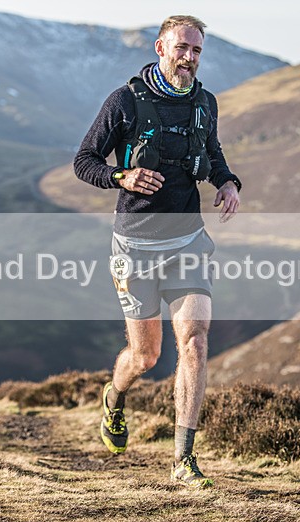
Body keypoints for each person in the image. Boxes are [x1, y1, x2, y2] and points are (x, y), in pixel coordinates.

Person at [74, 15, 242, 488]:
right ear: (160, 47)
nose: (189, 57)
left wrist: (227, 182)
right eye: (182, 48)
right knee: (145, 356)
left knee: (194, 341)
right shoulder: (125, 101)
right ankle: (114, 395)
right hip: (135, 245)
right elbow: (83, 161)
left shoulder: (204, 103)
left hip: (187, 241)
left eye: (197, 51)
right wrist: (119, 177)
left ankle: (183, 460)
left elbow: (211, 155)